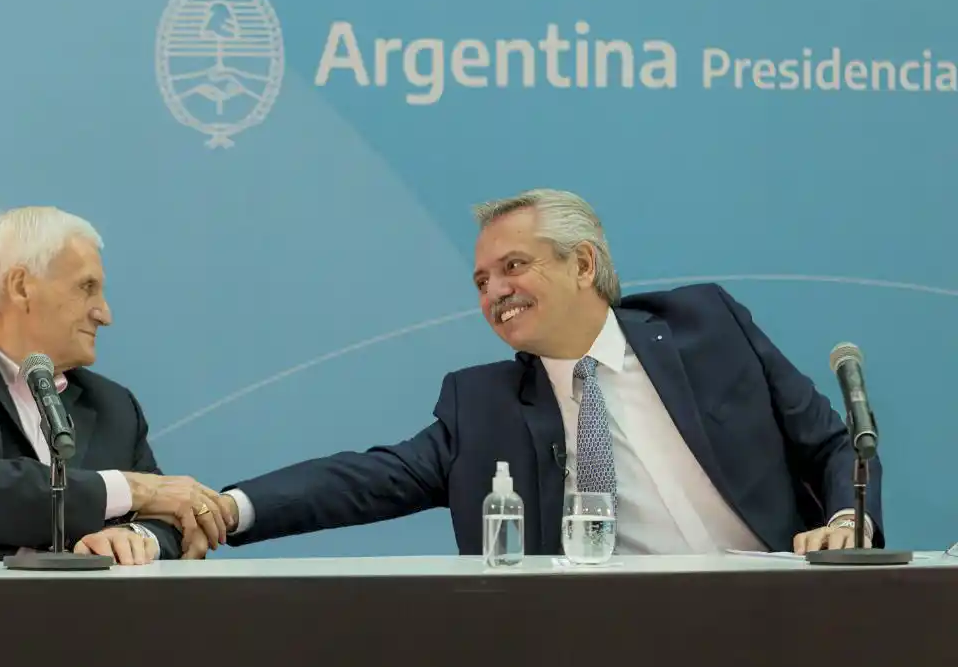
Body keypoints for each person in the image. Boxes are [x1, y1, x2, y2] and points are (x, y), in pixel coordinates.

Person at [211, 189, 884, 557]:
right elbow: (359, 479)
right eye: (480, 281)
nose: (494, 291)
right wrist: (225, 510)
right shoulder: (483, 405)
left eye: (513, 266)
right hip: (612, 650)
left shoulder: (708, 326)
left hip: (778, 613)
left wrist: (850, 518)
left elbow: (833, 446)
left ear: (583, 264)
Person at [0, 206, 226, 564]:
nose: (104, 314)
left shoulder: (113, 405)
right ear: (21, 286)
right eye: (87, 287)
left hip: (91, 622)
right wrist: (134, 490)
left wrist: (133, 538)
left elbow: (167, 520)